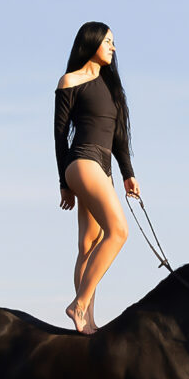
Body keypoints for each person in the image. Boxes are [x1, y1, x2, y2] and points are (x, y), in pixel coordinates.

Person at [54, 22, 140, 335]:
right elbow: (60, 135)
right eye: (108, 41)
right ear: (91, 42)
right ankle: (79, 305)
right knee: (118, 231)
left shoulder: (112, 87)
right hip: (81, 160)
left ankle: (87, 321)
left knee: (89, 244)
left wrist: (128, 174)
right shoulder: (70, 81)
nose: (113, 47)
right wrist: (63, 183)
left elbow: (119, 138)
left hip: (104, 167)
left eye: (113, 42)